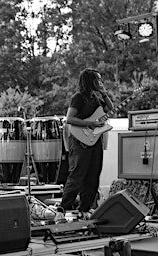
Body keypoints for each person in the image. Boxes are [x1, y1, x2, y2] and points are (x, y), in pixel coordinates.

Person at [60, 68, 114, 218]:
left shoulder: (96, 98)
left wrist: (104, 93)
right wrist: (90, 123)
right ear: (90, 81)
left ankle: (85, 208)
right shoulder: (78, 97)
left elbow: (111, 108)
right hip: (79, 141)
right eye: (98, 79)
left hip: (95, 141)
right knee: (77, 175)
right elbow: (69, 119)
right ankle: (62, 209)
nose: (100, 82)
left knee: (93, 175)